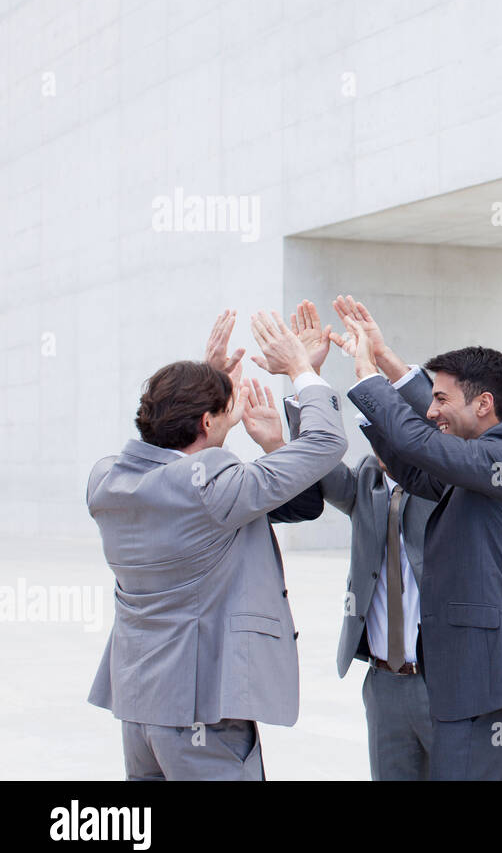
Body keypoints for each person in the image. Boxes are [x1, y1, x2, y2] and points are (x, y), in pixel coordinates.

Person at [87, 309, 347, 780]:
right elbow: (326, 442)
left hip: (140, 709)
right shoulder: (212, 487)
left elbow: (176, 461)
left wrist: (202, 384)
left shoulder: (107, 480)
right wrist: (301, 371)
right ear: (207, 422)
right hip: (201, 713)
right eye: (228, 408)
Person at [332, 295, 502, 780]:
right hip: (463, 682)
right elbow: (412, 460)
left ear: (484, 404)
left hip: (486, 681)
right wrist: (386, 362)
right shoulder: (470, 465)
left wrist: (367, 377)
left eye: (441, 400)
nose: (431, 410)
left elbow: (421, 443)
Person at [282, 301, 441, 779]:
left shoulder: (449, 483)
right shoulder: (367, 482)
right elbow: (317, 465)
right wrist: (304, 379)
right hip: (383, 683)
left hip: (444, 681)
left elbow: (437, 423)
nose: (378, 437)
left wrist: (379, 361)